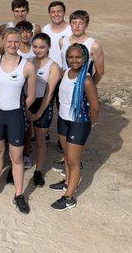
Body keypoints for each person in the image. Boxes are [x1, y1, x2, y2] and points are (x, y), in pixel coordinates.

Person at [0, 28, 36, 214]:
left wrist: (21, 111)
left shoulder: (27, 66)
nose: (13, 45)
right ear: (3, 42)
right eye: (10, 41)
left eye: (16, 41)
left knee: (17, 157)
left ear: (21, 42)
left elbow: (31, 96)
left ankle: (19, 194)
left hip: (15, 116)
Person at [50, 43, 99, 210]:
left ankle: (69, 197)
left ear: (84, 58)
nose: (74, 60)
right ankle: (67, 182)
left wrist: (89, 124)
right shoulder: (65, 74)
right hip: (63, 120)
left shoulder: (86, 80)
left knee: (74, 161)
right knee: (66, 154)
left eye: (78, 57)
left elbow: (94, 107)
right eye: (71, 57)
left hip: (79, 123)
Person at [28, 33, 61, 187]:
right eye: (35, 47)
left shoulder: (53, 66)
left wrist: (39, 113)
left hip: (43, 104)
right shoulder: (28, 62)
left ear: (49, 47)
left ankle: (39, 170)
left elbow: (49, 92)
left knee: (40, 140)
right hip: (28, 102)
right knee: (25, 136)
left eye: (42, 47)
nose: (38, 50)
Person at [60, 10, 105, 84]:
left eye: (81, 23)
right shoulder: (62, 42)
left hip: (81, 89)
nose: (77, 26)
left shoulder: (94, 45)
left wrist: (89, 88)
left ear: (86, 25)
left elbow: (100, 72)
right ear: (70, 24)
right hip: (64, 84)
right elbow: (64, 64)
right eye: (74, 23)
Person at [42, 1, 72, 68]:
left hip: (67, 72)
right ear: (49, 13)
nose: (56, 14)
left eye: (59, 11)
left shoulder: (72, 30)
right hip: (48, 71)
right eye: (53, 12)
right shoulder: (44, 30)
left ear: (64, 13)